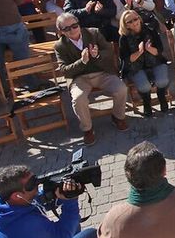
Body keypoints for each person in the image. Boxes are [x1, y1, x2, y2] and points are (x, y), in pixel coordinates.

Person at [53, 12, 130, 145]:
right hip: (79, 78)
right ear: (61, 32)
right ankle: (87, 129)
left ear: (79, 24)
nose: (72, 30)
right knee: (78, 98)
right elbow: (64, 70)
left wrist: (97, 55)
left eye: (74, 26)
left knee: (121, 88)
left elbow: (109, 50)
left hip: (102, 73)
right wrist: (81, 62)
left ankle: (118, 117)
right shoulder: (60, 46)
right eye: (67, 28)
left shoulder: (93, 33)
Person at [116, 8, 172, 116]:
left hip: (155, 61)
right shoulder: (124, 38)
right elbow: (125, 59)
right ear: (126, 25)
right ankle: (147, 102)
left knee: (162, 81)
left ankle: (161, 97)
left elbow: (159, 50)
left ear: (139, 19)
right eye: (130, 21)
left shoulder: (150, 30)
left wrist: (150, 49)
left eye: (135, 19)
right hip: (136, 66)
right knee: (144, 86)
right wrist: (139, 52)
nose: (134, 22)